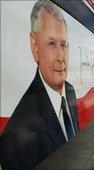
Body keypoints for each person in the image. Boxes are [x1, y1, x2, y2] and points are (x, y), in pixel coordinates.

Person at [0, 1, 79, 169]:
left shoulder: (70, 91)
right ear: (35, 47)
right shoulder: (14, 139)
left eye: (63, 45)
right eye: (52, 44)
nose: (60, 57)